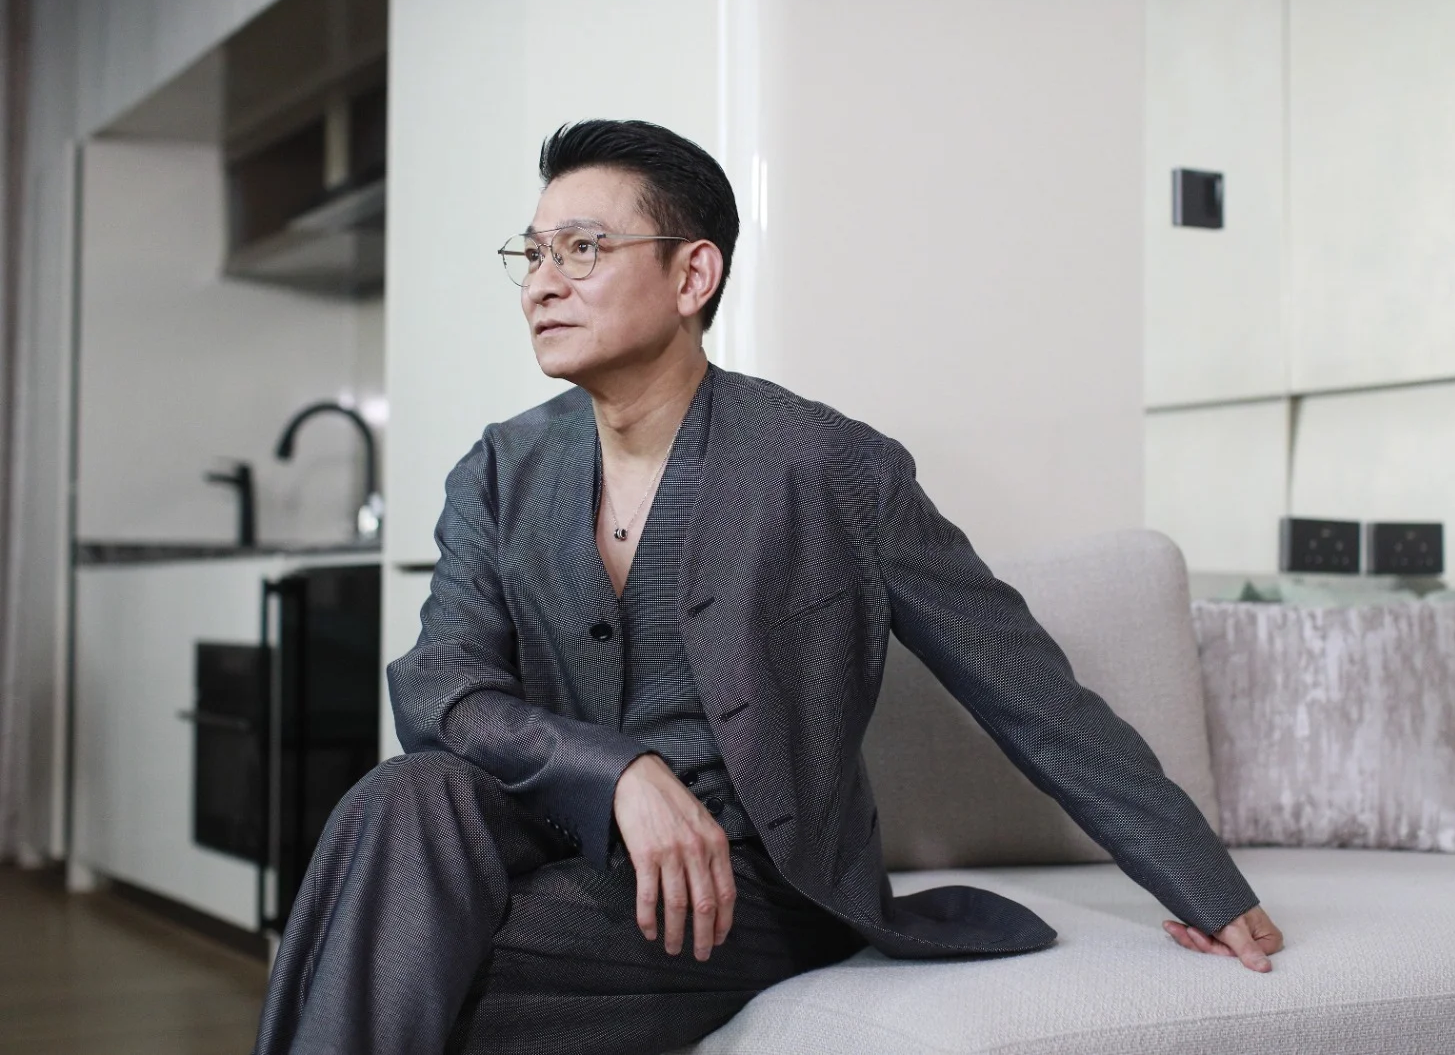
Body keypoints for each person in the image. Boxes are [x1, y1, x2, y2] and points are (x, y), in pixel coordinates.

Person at [251, 118, 1284, 1055]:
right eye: (533, 253)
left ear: (692, 274)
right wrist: (617, 773)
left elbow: (1024, 686)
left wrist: (1203, 881)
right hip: (552, 838)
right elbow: (442, 688)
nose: (540, 285)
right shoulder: (499, 469)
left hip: (746, 886)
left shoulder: (835, 469)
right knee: (406, 793)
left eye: (583, 249)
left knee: (401, 954)